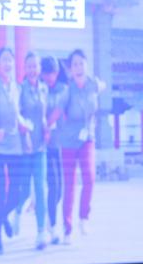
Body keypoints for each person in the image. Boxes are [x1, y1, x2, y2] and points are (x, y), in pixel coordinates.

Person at [52, 49, 105, 243]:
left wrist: (100, 85)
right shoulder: (67, 91)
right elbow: (57, 112)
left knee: (90, 177)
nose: (78, 67)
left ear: (86, 65)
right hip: (68, 142)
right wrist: (46, 126)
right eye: (74, 64)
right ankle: (67, 229)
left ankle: (84, 217)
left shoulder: (93, 85)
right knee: (70, 185)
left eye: (81, 63)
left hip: (87, 138)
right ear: (70, 69)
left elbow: (103, 85)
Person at [0, 47, 27, 254]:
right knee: (1, 194)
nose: (8, 64)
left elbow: (20, 116)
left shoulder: (18, 88)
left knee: (16, 195)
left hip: (16, 146)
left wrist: (26, 131)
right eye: (4, 60)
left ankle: (1, 218)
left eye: (10, 60)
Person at [19, 51, 49, 250]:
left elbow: (44, 113)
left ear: (39, 68)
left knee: (40, 188)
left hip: (40, 147)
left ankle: (41, 231)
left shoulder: (44, 89)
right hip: (24, 146)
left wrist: (46, 126)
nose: (32, 70)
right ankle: (16, 214)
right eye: (29, 66)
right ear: (25, 68)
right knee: (23, 189)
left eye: (35, 66)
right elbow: (18, 115)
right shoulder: (20, 89)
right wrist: (26, 134)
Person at [41, 56, 66, 244]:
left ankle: (49, 218)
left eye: (53, 73)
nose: (50, 76)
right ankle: (53, 225)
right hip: (45, 145)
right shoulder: (40, 90)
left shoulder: (64, 90)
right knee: (53, 185)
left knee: (59, 190)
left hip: (61, 143)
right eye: (47, 73)